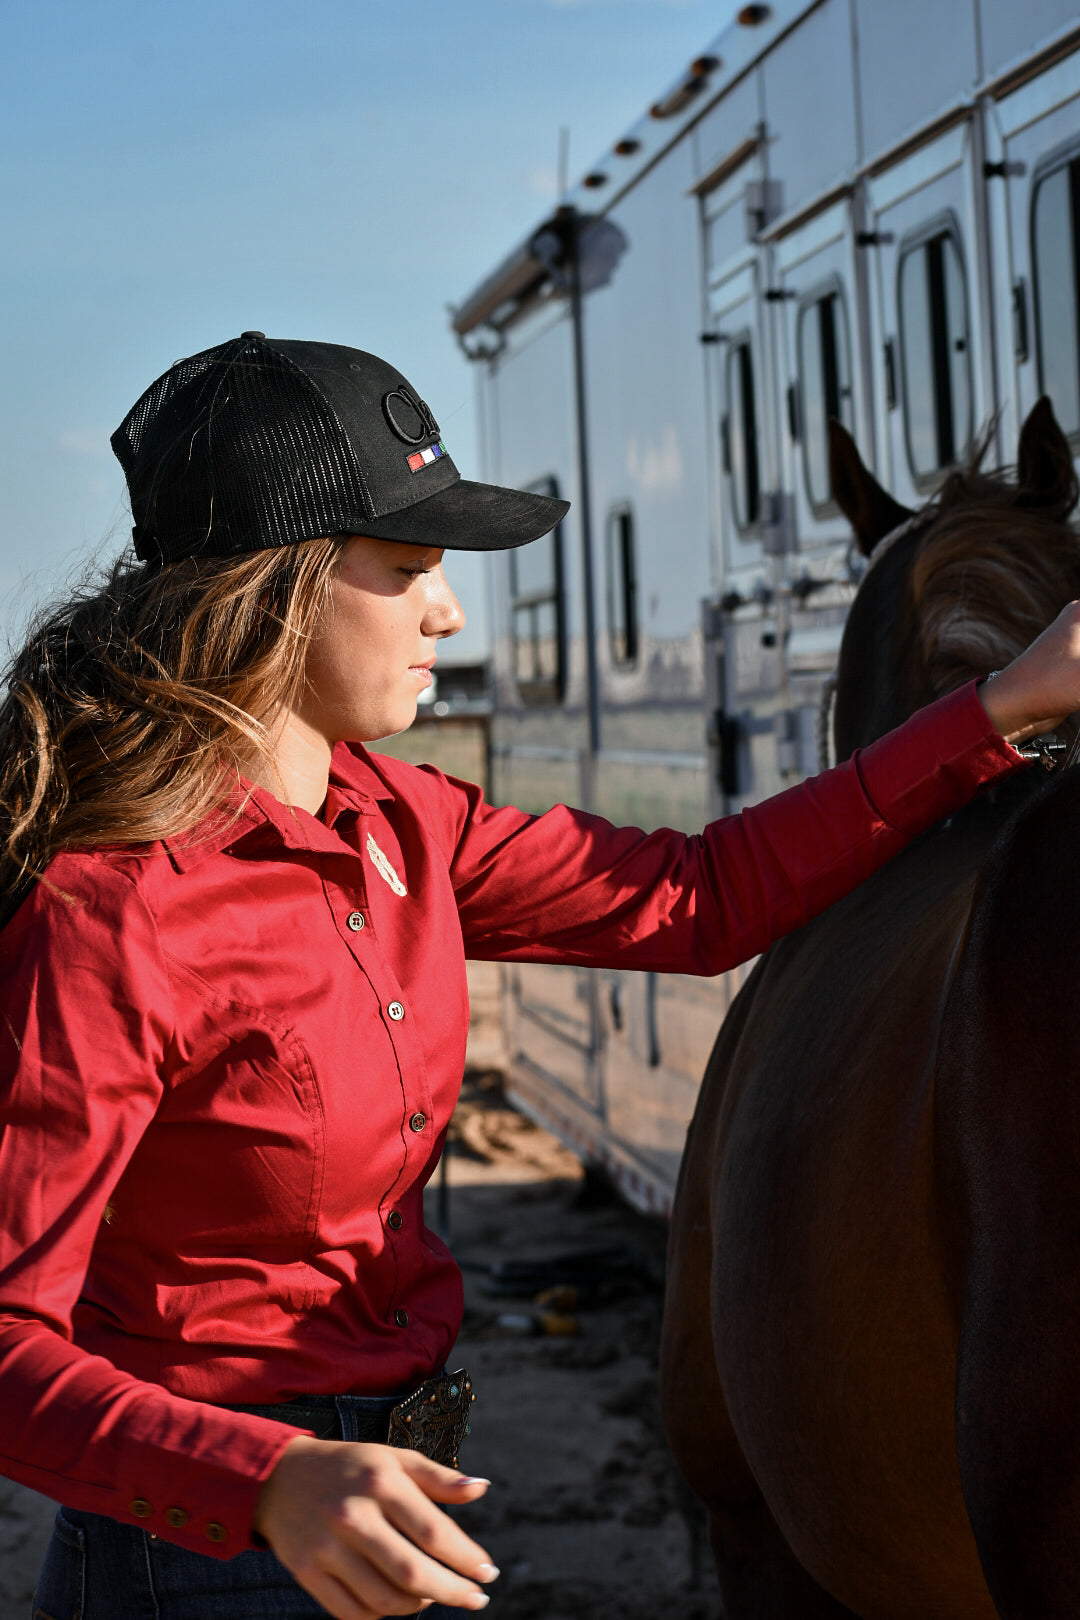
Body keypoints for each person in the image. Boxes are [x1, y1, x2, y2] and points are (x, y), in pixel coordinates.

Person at [1, 332, 1078, 1620]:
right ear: (274, 595)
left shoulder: (407, 824)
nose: (449, 613)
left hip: (390, 1508)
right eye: (408, 570)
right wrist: (265, 1481)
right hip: (208, 1554)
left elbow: (699, 893)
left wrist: (1001, 707)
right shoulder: (107, 914)